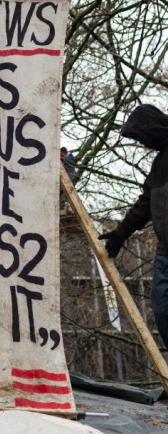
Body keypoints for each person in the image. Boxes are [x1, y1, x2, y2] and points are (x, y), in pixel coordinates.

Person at [98, 104, 168, 348]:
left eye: (142, 137)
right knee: (163, 313)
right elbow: (145, 204)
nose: (143, 144)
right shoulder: (160, 164)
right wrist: (120, 234)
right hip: (165, 253)